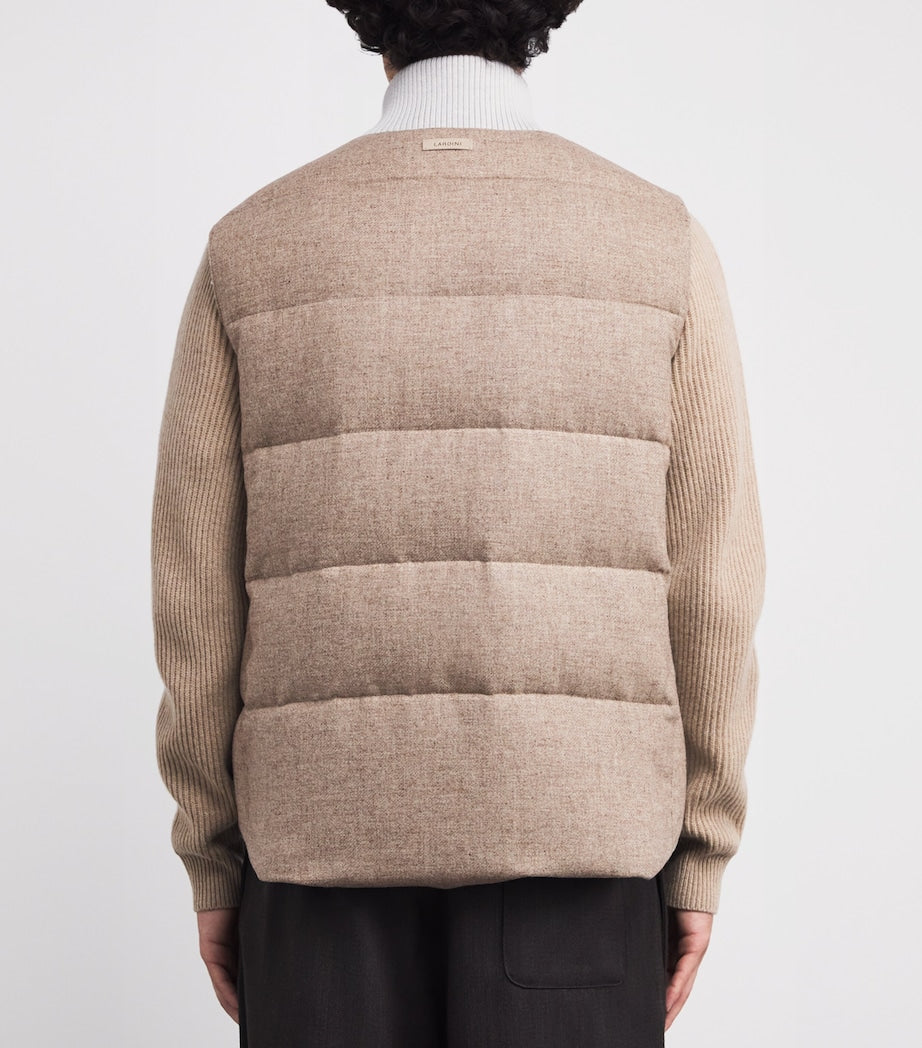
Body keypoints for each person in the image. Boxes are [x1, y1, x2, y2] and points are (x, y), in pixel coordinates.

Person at [151, 3, 765, 1046]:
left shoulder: (252, 247)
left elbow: (196, 590)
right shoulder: (658, 243)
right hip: (580, 853)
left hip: (317, 862)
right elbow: (713, 583)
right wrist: (701, 847)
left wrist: (211, 853)